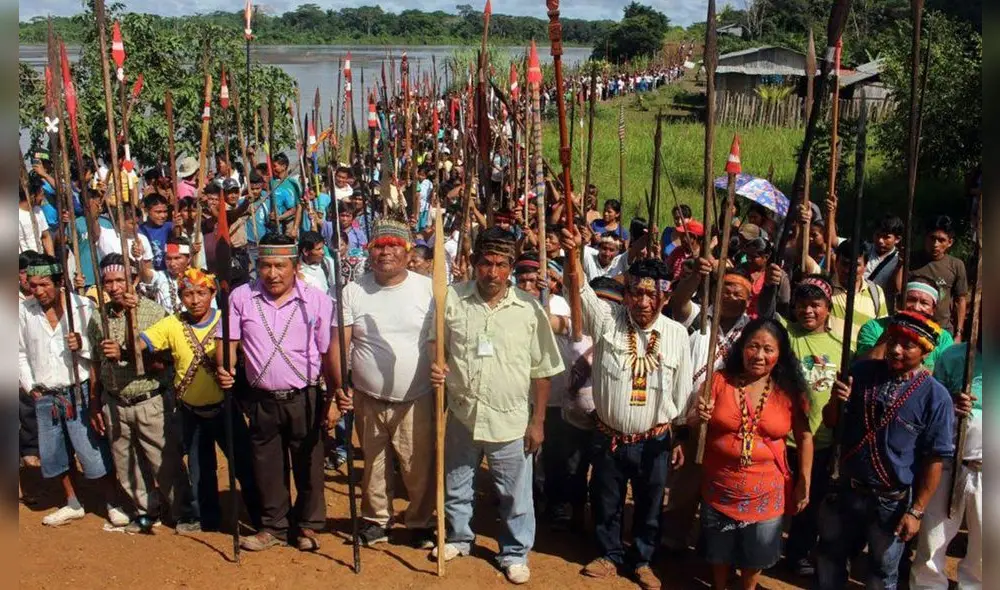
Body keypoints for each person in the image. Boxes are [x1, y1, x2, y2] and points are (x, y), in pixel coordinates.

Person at [428, 227, 564, 585]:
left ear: (511, 268)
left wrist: (538, 422)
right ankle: (458, 537)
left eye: (501, 265)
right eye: (485, 263)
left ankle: (515, 552)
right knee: (457, 482)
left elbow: (544, 370)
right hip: (462, 412)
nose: (492, 272)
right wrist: (438, 366)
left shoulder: (530, 309)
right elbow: (436, 344)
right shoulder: (451, 300)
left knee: (514, 493)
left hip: (510, 419)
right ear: (474, 264)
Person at [560, 227, 693, 590]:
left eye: (652, 294)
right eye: (636, 292)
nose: (643, 301)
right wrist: (573, 256)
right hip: (609, 436)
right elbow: (581, 290)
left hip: (655, 440)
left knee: (651, 504)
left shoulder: (678, 335)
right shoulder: (607, 322)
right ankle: (608, 554)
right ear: (627, 294)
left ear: (664, 296)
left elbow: (681, 392)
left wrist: (678, 434)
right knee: (606, 498)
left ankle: (643, 560)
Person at [817, 311, 955, 590]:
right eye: (893, 340)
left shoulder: (935, 396)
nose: (895, 350)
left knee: (882, 572)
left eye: (907, 345)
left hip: (891, 501)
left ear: (925, 351)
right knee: (830, 559)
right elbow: (831, 421)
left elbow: (934, 459)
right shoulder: (862, 372)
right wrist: (836, 399)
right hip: (847, 490)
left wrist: (916, 512)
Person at [216, 233, 333, 552]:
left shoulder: (317, 300)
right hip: (261, 399)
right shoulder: (241, 297)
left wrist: (335, 396)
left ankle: (307, 526)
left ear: (295, 266)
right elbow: (227, 341)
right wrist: (224, 368)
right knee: (266, 465)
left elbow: (327, 351)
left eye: (280, 265)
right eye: (265, 265)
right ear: (256, 265)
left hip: (305, 396)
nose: (272, 273)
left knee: (309, 463)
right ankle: (273, 526)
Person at [332, 220, 437, 549]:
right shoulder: (352, 291)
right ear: (369, 251)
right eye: (379, 246)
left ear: (408, 252)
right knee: (373, 464)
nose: (386, 252)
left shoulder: (430, 289)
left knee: (418, 465)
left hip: (417, 397)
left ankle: (420, 520)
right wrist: (340, 386)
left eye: (394, 246)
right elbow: (342, 343)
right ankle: (377, 519)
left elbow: (443, 339)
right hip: (367, 397)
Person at [139, 267, 261, 533]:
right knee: (200, 469)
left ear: (213, 293)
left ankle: (262, 516)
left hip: (225, 408)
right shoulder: (172, 324)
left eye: (201, 293)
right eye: (188, 294)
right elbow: (140, 343)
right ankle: (206, 518)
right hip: (191, 411)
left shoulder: (226, 321)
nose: (195, 300)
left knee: (244, 464)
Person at [694, 318, 813, 590]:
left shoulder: (789, 392)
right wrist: (698, 416)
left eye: (768, 349)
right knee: (719, 548)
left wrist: (804, 482)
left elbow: (805, 437)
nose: (759, 355)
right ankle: (720, 585)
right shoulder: (719, 381)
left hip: (767, 491)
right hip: (720, 485)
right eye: (753, 346)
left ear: (780, 354)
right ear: (741, 348)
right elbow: (695, 423)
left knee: (756, 552)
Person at [18, 255, 128, 527]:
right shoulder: (23, 311)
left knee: (91, 449)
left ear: (59, 282)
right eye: (33, 286)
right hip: (45, 393)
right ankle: (72, 502)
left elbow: (98, 352)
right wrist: (30, 386)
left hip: (78, 390)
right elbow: (18, 352)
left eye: (44, 284)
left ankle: (112, 502)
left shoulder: (82, 307)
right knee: (55, 453)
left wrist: (82, 346)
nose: (38, 291)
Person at [87, 254, 194, 533]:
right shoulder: (99, 318)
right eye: (108, 281)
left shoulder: (154, 313)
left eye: (120, 280)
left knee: (164, 460)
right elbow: (96, 364)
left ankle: (182, 511)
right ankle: (145, 510)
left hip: (149, 399)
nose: (113, 287)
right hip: (114, 402)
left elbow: (166, 363)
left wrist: (127, 354)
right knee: (126, 461)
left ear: (134, 279)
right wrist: (95, 402)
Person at [663, 265, 754, 551]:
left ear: (748, 298)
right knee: (685, 486)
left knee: (722, 491)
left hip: (731, 427)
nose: (730, 294)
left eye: (738, 291)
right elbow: (678, 302)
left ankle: (711, 546)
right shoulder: (698, 318)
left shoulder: (753, 330)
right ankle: (672, 539)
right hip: (691, 421)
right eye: (725, 288)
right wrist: (695, 276)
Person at [761, 272, 843, 575]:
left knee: (808, 503)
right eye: (801, 304)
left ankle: (797, 555)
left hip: (820, 441)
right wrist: (773, 283)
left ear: (828, 308)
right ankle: (763, 552)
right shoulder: (784, 333)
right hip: (780, 438)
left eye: (815, 305)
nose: (808, 311)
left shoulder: (839, 345)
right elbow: (766, 310)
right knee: (772, 500)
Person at [910, 336, 983, 590]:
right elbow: (931, 403)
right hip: (950, 463)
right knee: (933, 537)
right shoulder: (954, 356)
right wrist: (951, 402)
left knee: (986, 544)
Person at [857, 277, 954, 371]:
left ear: (933, 309)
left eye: (924, 303)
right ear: (899, 302)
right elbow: (867, 367)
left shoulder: (943, 338)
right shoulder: (874, 327)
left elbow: (944, 377)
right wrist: (893, 329)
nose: (916, 307)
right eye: (911, 300)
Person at [909, 215, 968, 337]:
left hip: (942, 330)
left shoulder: (956, 265)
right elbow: (898, 289)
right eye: (932, 238)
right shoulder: (910, 260)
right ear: (925, 238)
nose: (935, 244)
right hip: (912, 326)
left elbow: (960, 300)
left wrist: (958, 332)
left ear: (950, 242)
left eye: (941, 240)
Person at [829, 239, 889, 350]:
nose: (849, 270)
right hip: (829, 359)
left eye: (856, 265)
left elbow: (881, 331)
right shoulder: (826, 288)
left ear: (865, 266)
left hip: (862, 363)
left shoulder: (875, 292)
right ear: (836, 263)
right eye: (845, 264)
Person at [864, 215, 904, 293]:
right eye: (878, 235)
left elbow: (897, 289)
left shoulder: (898, 259)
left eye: (886, 237)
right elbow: (835, 242)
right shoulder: (863, 249)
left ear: (897, 239)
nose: (880, 240)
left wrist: (900, 265)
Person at [19, 176, 54, 256]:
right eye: (41, 194)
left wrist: (52, 259)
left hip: (39, 261)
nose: (43, 198)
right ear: (32, 196)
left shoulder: (38, 211)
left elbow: (46, 237)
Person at [138, 193, 173, 271]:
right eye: (158, 212)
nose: (163, 215)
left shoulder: (170, 227)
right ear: (147, 210)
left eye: (165, 212)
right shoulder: (139, 232)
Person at [297, 231, 337, 296]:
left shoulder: (327, 263)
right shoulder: (297, 270)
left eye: (323, 248)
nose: (323, 252)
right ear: (305, 252)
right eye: (318, 249)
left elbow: (334, 286)